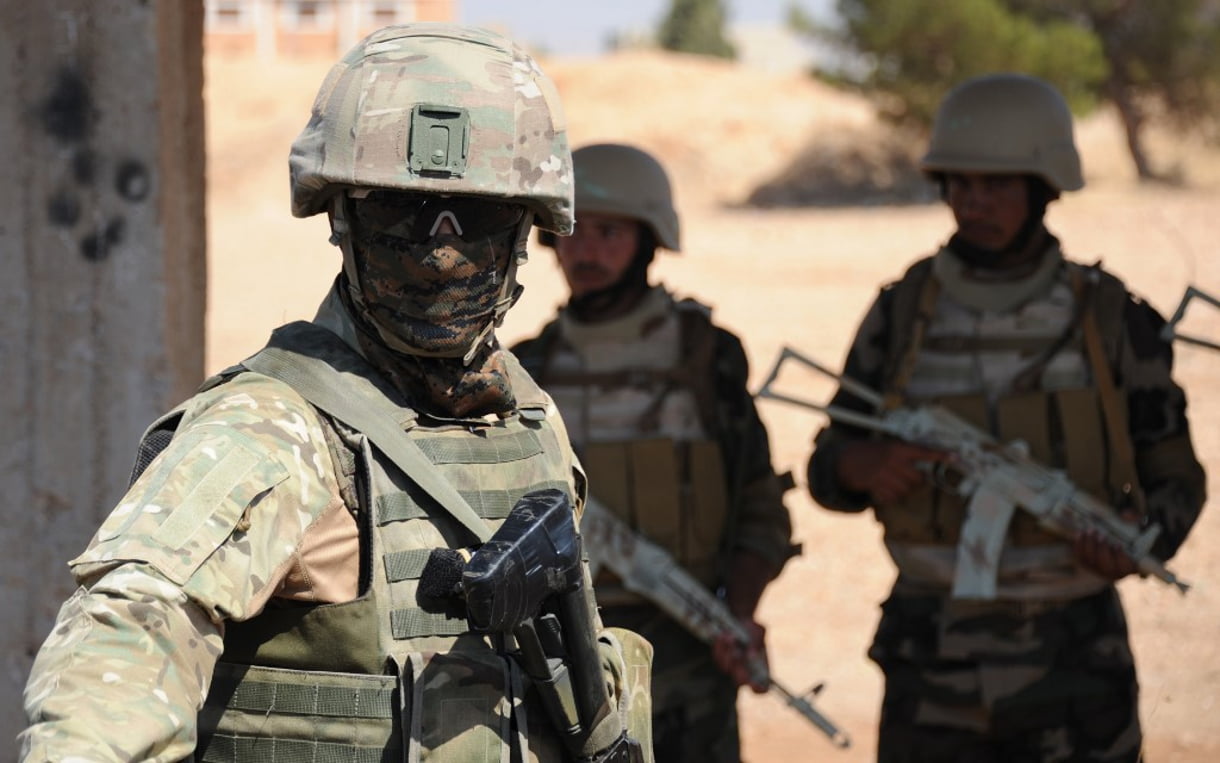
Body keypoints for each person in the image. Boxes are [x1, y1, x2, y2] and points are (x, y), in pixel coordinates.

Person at [20, 24, 653, 763]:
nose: (439, 253)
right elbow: (129, 629)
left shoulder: (525, 417)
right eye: (399, 212)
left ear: (523, 229)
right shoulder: (273, 428)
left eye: (473, 217)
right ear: (344, 218)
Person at [806, 72, 1206, 762]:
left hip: (1075, 654)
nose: (974, 202)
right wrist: (859, 465)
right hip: (930, 654)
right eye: (959, 184)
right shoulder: (903, 311)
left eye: (996, 184)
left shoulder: (1109, 316)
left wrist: (1145, 535)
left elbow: (1176, 472)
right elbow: (828, 461)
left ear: (1042, 186)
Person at [513, 143, 798, 762]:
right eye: (575, 232)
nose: (586, 251)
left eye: (610, 232)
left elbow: (758, 500)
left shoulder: (706, 358)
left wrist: (740, 613)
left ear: (650, 239)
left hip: (690, 663)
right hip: (566, 665)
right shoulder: (523, 372)